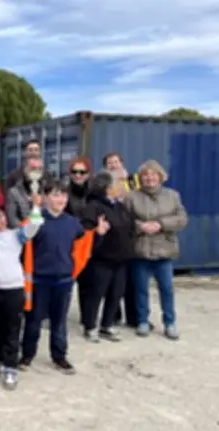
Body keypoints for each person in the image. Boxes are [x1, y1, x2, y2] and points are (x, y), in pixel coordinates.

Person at [19, 180, 107, 375]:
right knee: (33, 320)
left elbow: (83, 245)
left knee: (59, 321)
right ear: (45, 198)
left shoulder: (72, 223)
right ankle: (27, 354)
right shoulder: (34, 221)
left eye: (64, 195)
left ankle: (59, 356)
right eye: (56, 195)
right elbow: (21, 244)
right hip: (38, 280)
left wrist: (97, 234)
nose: (61, 199)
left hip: (64, 280)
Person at [0, 204, 40, 390]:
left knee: (13, 328)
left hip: (14, 289)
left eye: (0, 217)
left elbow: (33, 227)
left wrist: (36, 207)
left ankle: (11, 365)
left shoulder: (14, 235)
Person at [122, 160, 188, 340]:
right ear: (140, 178)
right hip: (140, 249)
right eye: (145, 175)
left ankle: (170, 322)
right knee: (140, 289)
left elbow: (182, 219)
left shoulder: (173, 196)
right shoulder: (131, 197)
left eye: (153, 174)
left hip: (164, 250)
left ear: (160, 176)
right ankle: (142, 321)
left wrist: (160, 224)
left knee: (166, 289)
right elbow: (123, 220)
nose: (149, 178)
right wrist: (140, 226)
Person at [79, 171, 134, 343]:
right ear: (108, 188)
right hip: (101, 259)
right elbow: (85, 232)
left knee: (116, 293)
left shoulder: (120, 206)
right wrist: (98, 232)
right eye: (119, 183)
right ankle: (90, 326)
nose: (122, 186)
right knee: (95, 293)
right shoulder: (93, 207)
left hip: (121, 258)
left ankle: (107, 325)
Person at [103, 151, 141, 328]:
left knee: (131, 282)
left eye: (116, 162)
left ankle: (134, 318)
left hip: (132, 234)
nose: (113, 165)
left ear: (122, 163)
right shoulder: (104, 183)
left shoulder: (133, 181)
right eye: (109, 163)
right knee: (113, 282)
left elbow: (141, 201)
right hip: (112, 236)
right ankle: (114, 315)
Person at [65, 156, 92, 324]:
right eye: (74, 172)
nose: (78, 175)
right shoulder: (63, 192)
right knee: (66, 283)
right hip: (68, 241)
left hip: (88, 242)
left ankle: (87, 319)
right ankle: (58, 316)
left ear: (88, 174)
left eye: (82, 172)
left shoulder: (94, 194)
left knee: (87, 283)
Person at [5, 155, 53, 228]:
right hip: (24, 234)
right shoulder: (14, 192)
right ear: (25, 170)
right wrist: (27, 231)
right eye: (33, 168)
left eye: (39, 169)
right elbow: (12, 219)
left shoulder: (48, 190)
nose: (36, 172)